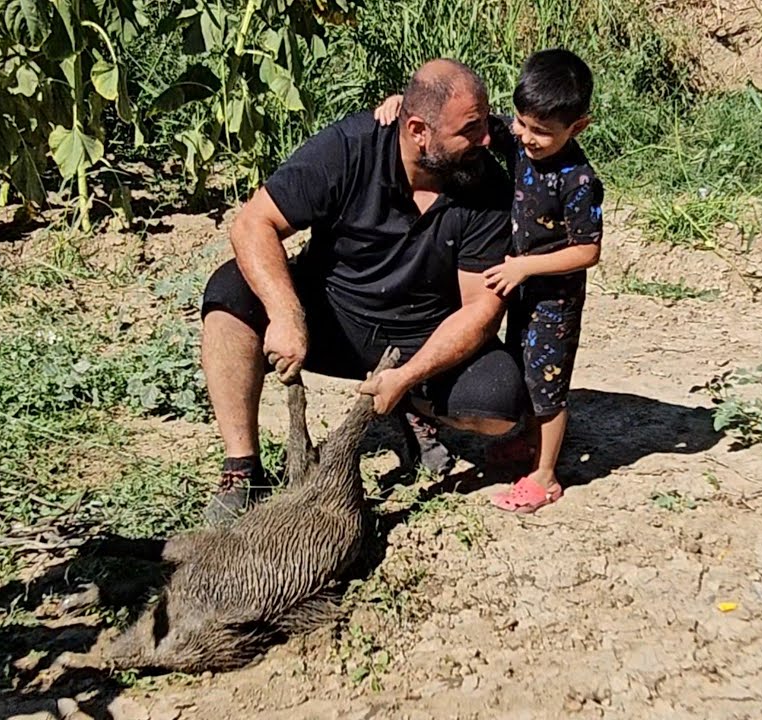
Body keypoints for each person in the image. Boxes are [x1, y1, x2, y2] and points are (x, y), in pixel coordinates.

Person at [197, 58, 529, 525]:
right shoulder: (350, 148)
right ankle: (242, 468)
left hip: (420, 333)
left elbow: (480, 308)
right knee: (230, 290)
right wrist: (286, 314)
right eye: (470, 131)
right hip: (331, 319)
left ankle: (413, 403)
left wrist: (409, 375)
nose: (486, 140)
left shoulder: (485, 183)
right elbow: (253, 223)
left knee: (499, 403)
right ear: (418, 130)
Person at [374, 48, 603, 513]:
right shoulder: (518, 138)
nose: (525, 136)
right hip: (519, 290)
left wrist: (524, 267)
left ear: (577, 127)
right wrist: (405, 103)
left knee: (548, 387)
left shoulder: (579, 181)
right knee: (521, 366)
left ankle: (545, 475)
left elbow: (588, 251)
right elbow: (458, 123)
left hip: (552, 300)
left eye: (541, 132)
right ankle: (529, 443)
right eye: (521, 123)